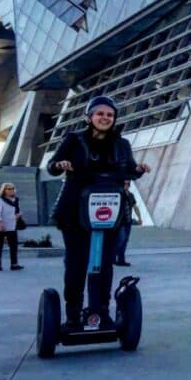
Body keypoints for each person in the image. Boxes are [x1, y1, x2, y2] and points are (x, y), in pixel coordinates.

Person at [47, 96, 150, 329]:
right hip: (75, 211)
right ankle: (73, 315)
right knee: (76, 264)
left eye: (109, 115)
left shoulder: (121, 144)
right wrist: (60, 165)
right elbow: (52, 165)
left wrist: (138, 170)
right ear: (90, 117)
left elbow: (129, 171)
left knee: (104, 264)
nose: (105, 118)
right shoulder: (74, 140)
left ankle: (101, 312)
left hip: (109, 210)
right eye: (100, 114)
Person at [0, 183, 24, 271]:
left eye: (12, 188)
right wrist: (1, 223)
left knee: (13, 245)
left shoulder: (16, 200)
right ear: (4, 190)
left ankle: (14, 264)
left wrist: (19, 215)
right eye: (8, 189)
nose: (11, 190)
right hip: (0, 225)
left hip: (12, 225)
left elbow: (18, 210)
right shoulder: (0, 201)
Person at [113, 181, 142, 266]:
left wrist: (139, 217)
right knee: (121, 240)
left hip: (127, 221)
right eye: (125, 183)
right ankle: (114, 257)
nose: (127, 185)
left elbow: (135, 207)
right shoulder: (119, 194)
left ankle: (121, 260)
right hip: (120, 222)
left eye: (128, 184)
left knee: (125, 241)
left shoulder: (130, 195)